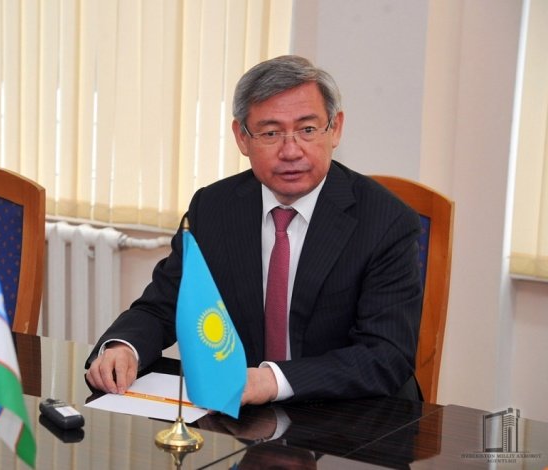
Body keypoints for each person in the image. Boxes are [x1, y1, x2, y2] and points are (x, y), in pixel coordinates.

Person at [85, 55, 423, 405]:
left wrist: (273, 380)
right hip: (245, 415)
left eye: (307, 130)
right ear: (242, 137)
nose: (291, 151)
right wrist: (124, 346)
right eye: (271, 133)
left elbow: (386, 355)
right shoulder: (213, 207)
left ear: (335, 128)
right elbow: (166, 303)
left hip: (351, 415)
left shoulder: (386, 221)